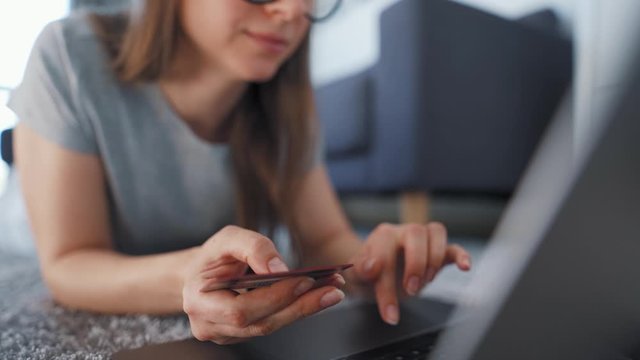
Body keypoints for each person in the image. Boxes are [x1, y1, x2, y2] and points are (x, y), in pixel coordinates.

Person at [9, 0, 471, 345]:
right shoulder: (67, 56)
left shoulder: (287, 99)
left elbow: (326, 239)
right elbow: (68, 263)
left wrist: (377, 264)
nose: (293, 12)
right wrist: (190, 276)